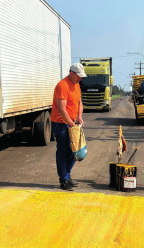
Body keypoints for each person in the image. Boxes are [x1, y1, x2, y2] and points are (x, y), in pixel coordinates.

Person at [51, 63, 86, 191]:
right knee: (63, 151)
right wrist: (71, 125)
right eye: (79, 76)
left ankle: (67, 176)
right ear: (72, 73)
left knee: (75, 151)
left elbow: (79, 103)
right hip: (60, 123)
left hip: (71, 123)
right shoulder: (62, 85)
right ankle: (64, 180)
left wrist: (79, 117)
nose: (80, 79)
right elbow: (61, 109)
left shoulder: (76, 85)